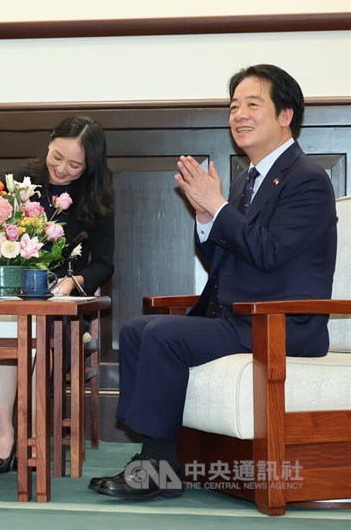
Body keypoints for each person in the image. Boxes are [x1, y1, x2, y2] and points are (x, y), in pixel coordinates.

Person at [89, 64, 337, 499]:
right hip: (240, 317)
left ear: (285, 115)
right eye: (233, 106)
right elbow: (222, 261)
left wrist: (218, 206)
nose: (238, 114)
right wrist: (207, 218)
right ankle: (155, 456)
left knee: (164, 336)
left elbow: (269, 253)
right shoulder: (247, 180)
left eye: (252, 104)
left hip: (281, 324)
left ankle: (158, 467)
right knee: (136, 329)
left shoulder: (308, 180)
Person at [0, 116, 115, 472]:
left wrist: (73, 282)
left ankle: (33, 430)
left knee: (46, 331)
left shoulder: (95, 197)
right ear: (49, 142)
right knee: (5, 329)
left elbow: (105, 264)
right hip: (11, 298)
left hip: (61, 303)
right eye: (57, 157)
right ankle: (6, 434)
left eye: (75, 165)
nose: (62, 169)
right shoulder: (17, 184)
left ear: (90, 166)